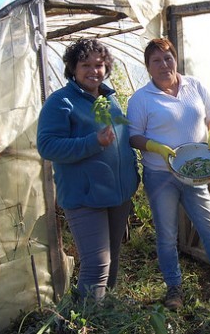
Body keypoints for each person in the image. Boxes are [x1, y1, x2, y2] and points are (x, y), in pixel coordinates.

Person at [127, 38, 210, 310]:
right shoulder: (141, 98)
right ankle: (174, 288)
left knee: (209, 226)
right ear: (148, 67)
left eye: (168, 58)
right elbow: (133, 137)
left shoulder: (194, 85)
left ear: (175, 60)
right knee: (167, 233)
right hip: (160, 175)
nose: (164, 65)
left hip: (193, 171)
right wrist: (156, 148)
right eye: (157, 60)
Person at [37, 38, 139, 302]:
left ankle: (105, 308)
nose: (94, 70)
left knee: (112, 257)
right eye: (86, 65)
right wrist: (93, 142)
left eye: (99, 65)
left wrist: (133, 177)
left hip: (118, 195)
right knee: (96, 264)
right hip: (84, 197)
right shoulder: (61, 102)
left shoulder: (108, 99)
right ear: (72, 68)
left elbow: (121, 141)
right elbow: (48, 146)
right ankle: (84, 320)